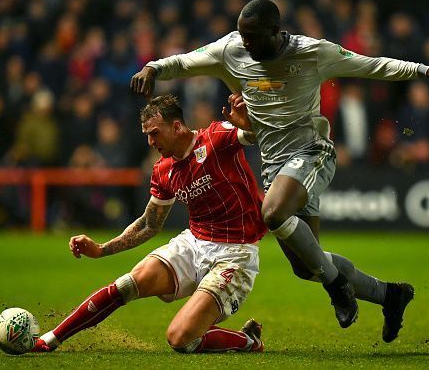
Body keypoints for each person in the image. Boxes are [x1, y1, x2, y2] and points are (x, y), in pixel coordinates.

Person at [130, 0, 429, 342]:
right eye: (243, 36)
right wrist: (153, 67)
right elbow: (183, 62)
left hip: (312, 152)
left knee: (271, 213)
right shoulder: (231, 49)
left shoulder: (312, 52)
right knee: (307, 265)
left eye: (254, 37)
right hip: (275, 165)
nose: (246, 44)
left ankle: (337, 289)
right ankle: (391, 296)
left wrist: (424, 70)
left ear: (276, 31)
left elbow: (372, 65)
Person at [33, 95, 266, 353]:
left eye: (155, 133)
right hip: (194, 243)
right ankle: (50, 339)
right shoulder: (163, 170)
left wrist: (249, 124)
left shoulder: (215, 138)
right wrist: (101, 249)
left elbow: (254, 135)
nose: (150, 142)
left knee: (180, 339)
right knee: (127, 285)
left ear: (177, 126)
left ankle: (248, 341)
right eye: (146, 135)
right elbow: (148, 225)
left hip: (236, 254)